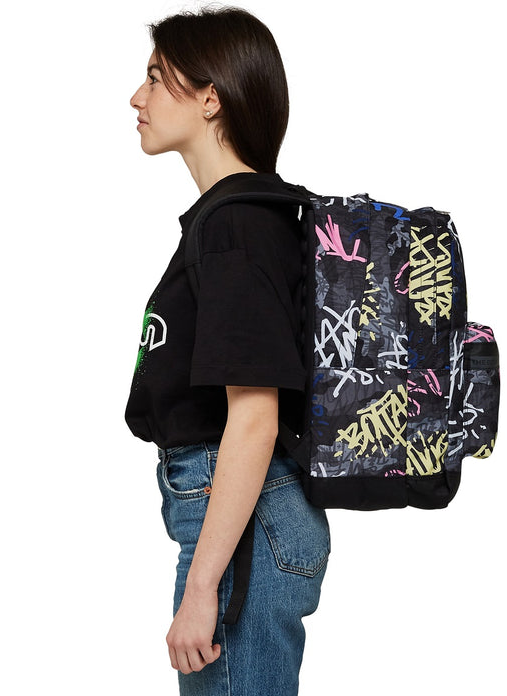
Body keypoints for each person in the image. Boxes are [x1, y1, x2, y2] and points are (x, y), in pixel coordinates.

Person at [124, 6, 331, 695]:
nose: (137, 97)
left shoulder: (237, 226)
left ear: (211, 98)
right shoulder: (239, 219)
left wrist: (202, 585)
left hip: (245, 527)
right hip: (246, 523)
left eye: (156, 77)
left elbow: (255, 416)